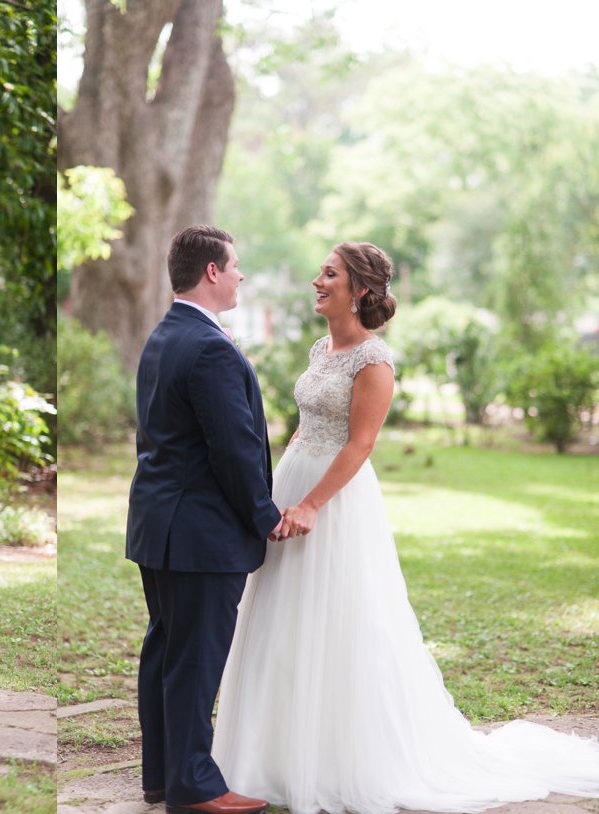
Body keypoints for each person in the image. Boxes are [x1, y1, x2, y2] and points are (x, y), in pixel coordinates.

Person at [212, 242, 599, 813]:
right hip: (292, 485)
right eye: (321, 271)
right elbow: (305, 425)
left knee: (338, 619)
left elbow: (361, 444)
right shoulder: (322, 348)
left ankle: (339, 758)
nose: (317, 280)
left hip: (335, 499)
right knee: (279, 615)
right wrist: (278, 492)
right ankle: (268, 754)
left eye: (330, 274)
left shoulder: (374, 361)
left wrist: (313, 504)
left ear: (359, 290)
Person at [126, 226, 292, 814]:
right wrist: (264, 515)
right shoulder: (210, 347)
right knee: (193, 659)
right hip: (201, 533)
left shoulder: (164, 335)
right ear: (213, 272)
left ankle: (162, 778)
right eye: (237, 265)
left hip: (159, 526)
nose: (242, 274)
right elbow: (234, 447)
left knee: (167, 651)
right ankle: (195, 788)